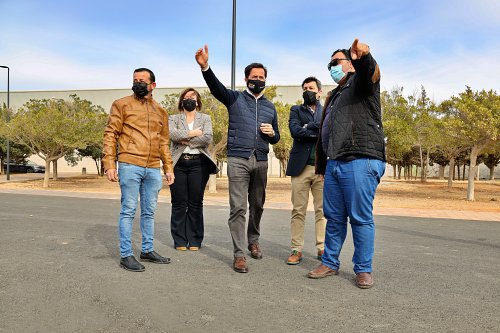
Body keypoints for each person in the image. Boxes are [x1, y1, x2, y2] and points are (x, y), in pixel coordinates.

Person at [308, 39, 386, 289]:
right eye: (329, 64)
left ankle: (363, 269)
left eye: (336, 62)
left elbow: (369, 73)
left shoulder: (361, 84)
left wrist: (364, 57)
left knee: (361, 218)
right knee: (335, 218)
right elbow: (325, 131)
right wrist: (323, 166)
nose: (331, 67)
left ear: (350, 65)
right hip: (335, 162)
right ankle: (330, 262)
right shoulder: (334, 94)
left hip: (361, 159)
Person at [195, 44, 280, 273]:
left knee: (258, 205)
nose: (258, 79)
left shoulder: (270, 107)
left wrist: (272, 134)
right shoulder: (234, 99)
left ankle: (253, 240)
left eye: (262, 77)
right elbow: (215, 88)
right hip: (238, 159)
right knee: (238, 207)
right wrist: (205, 68)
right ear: (246, 79)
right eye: (254, 76)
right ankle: (239, 253)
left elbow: (277, 137)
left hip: (261, 160)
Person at [103, 67, 175, 272]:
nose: (138, 83)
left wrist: (168, 167)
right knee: (128, 210)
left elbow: (164, 142)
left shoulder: (161, 111)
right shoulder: (121, 104)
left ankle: (147, 250)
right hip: (129, 163)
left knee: (149, 212)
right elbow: (110, 134)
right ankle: (126, 255)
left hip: (153, 167)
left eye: (143, 80)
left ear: (153, 85)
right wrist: (109, 163)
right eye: (135, 79)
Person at [168, 88, 218, 251]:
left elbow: (207, 138)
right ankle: (180, 240)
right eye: (187, 97)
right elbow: (172, 135)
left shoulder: (205, 118)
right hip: (178, 164)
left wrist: (186, 140)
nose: (190, 99)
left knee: (196, 203)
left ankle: (195, 239)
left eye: (193, 97)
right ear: (182, 100)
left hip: (199, 164)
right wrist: (194, 133)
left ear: (198, 101)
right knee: (179, 203)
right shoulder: (173, 118)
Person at [285, 77, 326, 265]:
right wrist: (313, 130)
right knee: (298, 210)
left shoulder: (327, 110)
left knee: (322, 211)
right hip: (300, 168)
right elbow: (295, 131)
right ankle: (296, 249)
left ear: (319, 91)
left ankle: (322, 248)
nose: (307, 90)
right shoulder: (296, 110)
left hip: (322, 168)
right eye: (305, 88)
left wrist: (307, 127)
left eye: (311, 88)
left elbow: (327, 132)